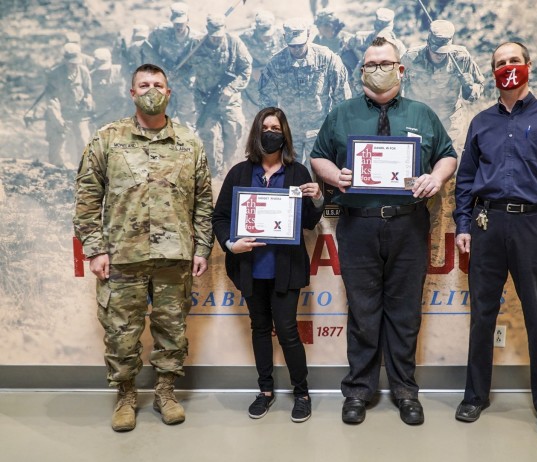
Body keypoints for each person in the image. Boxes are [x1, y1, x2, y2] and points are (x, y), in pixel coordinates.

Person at [310, 37, 457, 425]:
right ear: (361, 72)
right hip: (358, 225)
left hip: (409, 224)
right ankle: (358, 391)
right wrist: (333, 174)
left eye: (385, 63)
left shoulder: (422, 114)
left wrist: (436, 178)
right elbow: (318, 156)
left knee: (405, 312)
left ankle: (406, 391)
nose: (378, 70)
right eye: (371, 64)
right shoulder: (341, 114)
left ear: (400, 69)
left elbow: (447, 154)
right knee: (363, 311)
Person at [452, 42, 537, 436]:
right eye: (499, 63)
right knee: (481, 317)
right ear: (492, 72)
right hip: (487, 225)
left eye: (513, 61)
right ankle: (475, 397)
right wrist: (462, 225)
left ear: (528, 65)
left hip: (534, 227)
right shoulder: (481, 123)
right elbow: (465, 181)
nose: (507, 67)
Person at [73, 63, 214, 432]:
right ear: (132, 93)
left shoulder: (189, 142)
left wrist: (202, 248)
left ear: (168, 93)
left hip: (174, 255)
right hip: (122, 255)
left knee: (172, 329)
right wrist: (95, 249)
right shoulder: (107, 139)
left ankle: (166, 393)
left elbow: (203, 201)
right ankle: (126, 396)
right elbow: (87, 198)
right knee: (121, 331)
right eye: (144, 85)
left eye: (158, 85)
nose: (152, 90)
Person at [212, 107, 324, 423]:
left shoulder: (298, 172)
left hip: (285, 267)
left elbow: (310, 222)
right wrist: (231, 244)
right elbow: (219, 217)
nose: (270, 132)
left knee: (288, 331)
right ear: (256, 133)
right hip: (251, 267)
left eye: (276, 127)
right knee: (260, 328)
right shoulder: (239, 173)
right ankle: (265, 391)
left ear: (284, 134)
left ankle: (301, 393)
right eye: (265, 127)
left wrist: (317, 198)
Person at [259, 18, 351, 170]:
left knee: (316, 176)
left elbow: (341, 94)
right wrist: (272, 129)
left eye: (300, 45)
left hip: (319, 130)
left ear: (308, 35)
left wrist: (336, 127)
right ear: (284, 39)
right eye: (292, 46)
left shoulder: (327, 58)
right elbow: (266, 98)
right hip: (290, 131)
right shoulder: (275, 63)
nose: (296, 49)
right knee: (288, 174)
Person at [186, 14, 252, 175]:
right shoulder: (196, 44)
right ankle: (214, 172)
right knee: (208, 135)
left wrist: (231, 88)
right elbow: (185, 67)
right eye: (213, 36)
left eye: (219, 36)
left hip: (229, 99)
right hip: (204, 99)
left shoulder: (234, 43)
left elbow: (246, 68)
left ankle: (230, 169)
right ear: (207, 31)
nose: (216, 39)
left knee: (234, 131)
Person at [402, 20, 484, 136]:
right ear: (428, 43)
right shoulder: (410, 58)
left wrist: (468, 88)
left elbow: (478, 86)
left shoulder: (462, 58)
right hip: (417, 122)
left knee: (448, 154)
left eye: (443, 51)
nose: (439, 55)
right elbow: (396, 85)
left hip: (449, 124)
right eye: (436, 51)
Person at [35, 42, 93, 168]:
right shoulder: (54, 74)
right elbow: (52, 99)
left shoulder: (83, 71)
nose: (74, 65)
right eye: (71, 62)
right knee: (57, 139)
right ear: (65, 60)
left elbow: (88, 91)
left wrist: (88, 99)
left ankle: (85, 168)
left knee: (84, 139)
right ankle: (57, 169)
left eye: (76, 62)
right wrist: (58, 118)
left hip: (79, 112)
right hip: (60, 112)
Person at [146, 2, 199, 125]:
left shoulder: (197, 39)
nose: (179, 27)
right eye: (176, 23)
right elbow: (148, 49)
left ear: (188, 20)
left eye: (182, 23)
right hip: (164, 82)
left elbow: (201, 62)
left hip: (185, 83)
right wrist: (160, 67)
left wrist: (190, 73)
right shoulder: (161, 32)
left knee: (187, 121)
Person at [239, 11, 287, 122]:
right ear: (256, 29)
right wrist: (252, 71)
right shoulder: (244, 38)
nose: (265, 38)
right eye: (262, 33)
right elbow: (236, 63)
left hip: (276, 86)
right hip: (252, 89)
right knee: (252, 120)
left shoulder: (282, 36)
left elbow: (290, 60)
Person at [90, 48, 127, 128]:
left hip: (122, 111)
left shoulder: (120, 70)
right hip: (102, 114)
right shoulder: (91, 76)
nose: (103, 72)